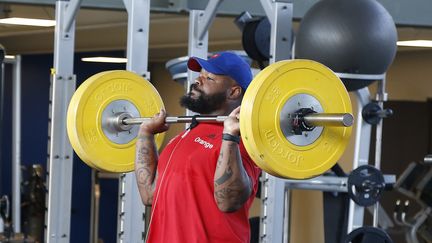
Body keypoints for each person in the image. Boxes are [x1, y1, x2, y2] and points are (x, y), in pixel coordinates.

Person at [135, 51, 261, 243]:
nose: (197, 81)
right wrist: (145, 134)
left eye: (209, 77)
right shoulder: (183, 137)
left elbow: (228, 201)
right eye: (200, 75)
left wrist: (229, 136)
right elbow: (150, 196)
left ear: (233, 92)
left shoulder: (242, 140)